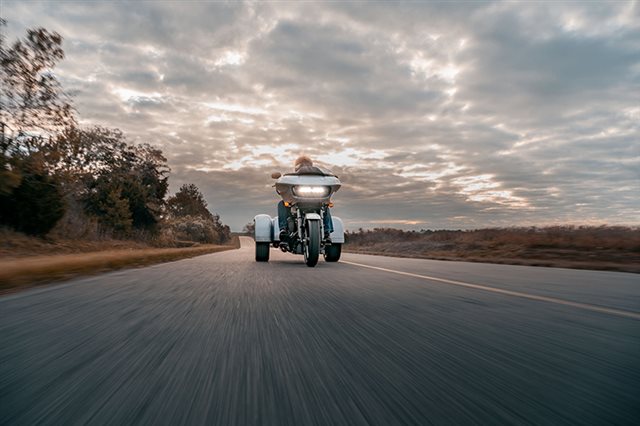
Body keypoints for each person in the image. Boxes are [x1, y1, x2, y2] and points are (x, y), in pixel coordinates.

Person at [278, 155, 334, 243]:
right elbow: (285, 187)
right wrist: (282, 185)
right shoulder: (292, 178)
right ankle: (283, 229)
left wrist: (332, 179)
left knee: (326, 204)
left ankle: (326, 232)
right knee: (282, 203)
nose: (304, 166)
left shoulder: (319, 177)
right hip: (298, 200)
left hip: (316, 200)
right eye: (301, 164)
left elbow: (327, 182)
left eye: (306, 164)